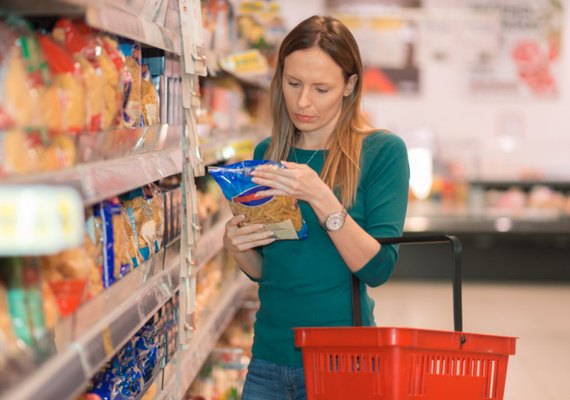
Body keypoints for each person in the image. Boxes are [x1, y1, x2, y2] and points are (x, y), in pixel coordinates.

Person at [222, 15, 410, 400]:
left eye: (321, 88)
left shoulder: (382, 152)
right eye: (293, 84)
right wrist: (238, 249)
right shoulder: (267, 154)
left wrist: (322, 198)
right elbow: (271, 273)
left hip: (344, 362)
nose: (303, 101)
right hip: (269, 361)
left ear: (350, 86)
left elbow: (378, 269)